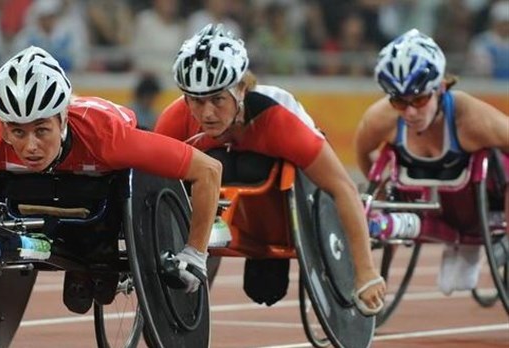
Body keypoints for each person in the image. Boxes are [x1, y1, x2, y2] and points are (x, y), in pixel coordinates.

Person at [0, 46, 222, 313]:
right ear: (5, 128)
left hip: (105, 179)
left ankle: (95, 252)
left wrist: (195, 253)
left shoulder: (108, 139)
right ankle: (77, 255)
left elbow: (207, 170)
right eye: (18, 132)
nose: (30, 146)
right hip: (46, 195)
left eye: (41, 130)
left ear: (62, 120)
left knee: (108, 186)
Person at [154, 23, 386, 315]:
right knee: (210, 165)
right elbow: (150, 188)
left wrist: (365, 272)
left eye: (217, 99)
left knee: (266, 287)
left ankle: (266, 250)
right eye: (196, 101)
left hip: (283, 210)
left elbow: (343, 188)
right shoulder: (176, 118)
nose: (207, 113)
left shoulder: (278, 120)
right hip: (223, 205)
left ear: (240, 89)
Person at [354, 28, 509, 295]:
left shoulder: (472, 117)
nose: (410, 112)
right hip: (426, 207)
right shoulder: (380, 118)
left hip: (480, 204)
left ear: (441, 87)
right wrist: (383, 191)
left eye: (420, 99)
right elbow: (363, 153)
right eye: (399, 101)